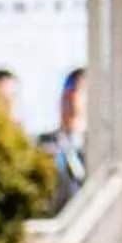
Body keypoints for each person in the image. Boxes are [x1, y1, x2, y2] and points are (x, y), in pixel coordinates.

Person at [39, 68, 86, 212]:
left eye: (81, 91)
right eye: (69, 89)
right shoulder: (43, 145)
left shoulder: (103, 150)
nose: (73, 97)